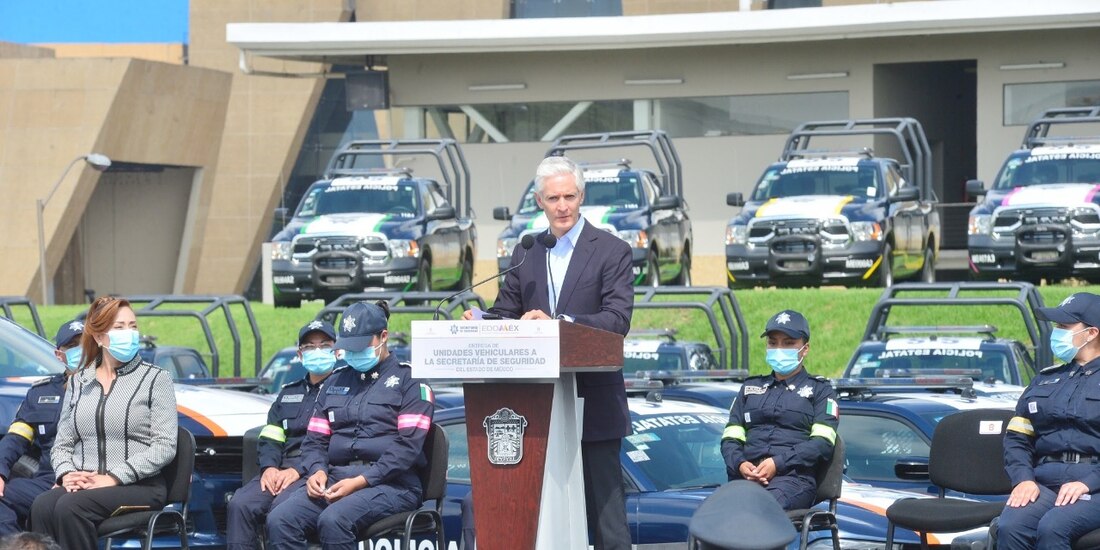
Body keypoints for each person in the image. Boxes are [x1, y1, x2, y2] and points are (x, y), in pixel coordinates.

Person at [463, 155, 635, 549]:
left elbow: (617, 319)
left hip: (594, 402)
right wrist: (483, 320)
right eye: (553, 198)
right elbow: (508, 312)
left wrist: (558, 322)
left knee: (607, 522)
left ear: (582, 197)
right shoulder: (528, 252)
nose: (562, 206)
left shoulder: (612, 250)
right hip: (535, 407)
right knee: (543, 517)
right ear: (539, 201)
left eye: (569, 197)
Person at [265, 301, 435, 550]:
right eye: (348, 347)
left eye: (360, 346)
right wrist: (317, 471)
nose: (354, 354)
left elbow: (407, 448)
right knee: (280, 520)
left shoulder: (410, 381)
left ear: (383, 337)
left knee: (334, 520)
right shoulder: (334, 381)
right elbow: (315, 440)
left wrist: (362, 480)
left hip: (392, 483)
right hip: (334, 478)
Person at [31, 297, 177, 550]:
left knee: (70, 507)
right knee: (42, 505)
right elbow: (62, 443)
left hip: (139, 485)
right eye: (119, 327)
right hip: (88, 484)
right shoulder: (79, 381)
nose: (129, 333)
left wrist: (114, 477)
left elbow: (165, 446)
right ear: (99, 337)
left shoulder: (156, 379)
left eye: (132, 326)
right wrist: (67, 474)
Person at [226, 320, 341, 550]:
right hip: (279, 470)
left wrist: (297, 470)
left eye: (324, 345)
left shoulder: (343, 392)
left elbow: (338, 443)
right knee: (239, 504)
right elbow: (270, 436)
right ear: (300, 355)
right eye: (310, 347)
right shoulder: (289, 393)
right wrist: (269, 467)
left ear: (337, 351)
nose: (317, 352)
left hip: (315, 471)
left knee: (280, 510)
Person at [998, 292, 1100, 549]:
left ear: (1091, 333)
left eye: (1064, 327)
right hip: (1043, 481)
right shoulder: (1045, 379)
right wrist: (1023, 479)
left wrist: (1087, 483)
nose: (1056, 332)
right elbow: (1018, 438)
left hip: (1094, 484)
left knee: (1053, 527)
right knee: (1010, 526)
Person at [720, 310, 839, 511]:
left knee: (756, 512)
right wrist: (740, 464)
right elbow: (730, 439)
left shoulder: (821, 391)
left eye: (788, 343)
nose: (779, 348)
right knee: (705, 517)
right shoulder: (749, 388)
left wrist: (778, 463)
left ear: (805, 349)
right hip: (745, 479)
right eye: (773, 343)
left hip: (792, 481)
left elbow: (822, 444)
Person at [0, 320, 83, 535]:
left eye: (87, 343)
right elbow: (15, 439)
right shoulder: (41, 393)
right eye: (73, 345)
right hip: (48, 481)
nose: (81, 350)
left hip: (91, 480)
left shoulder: (113, 390)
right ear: (59, 355)